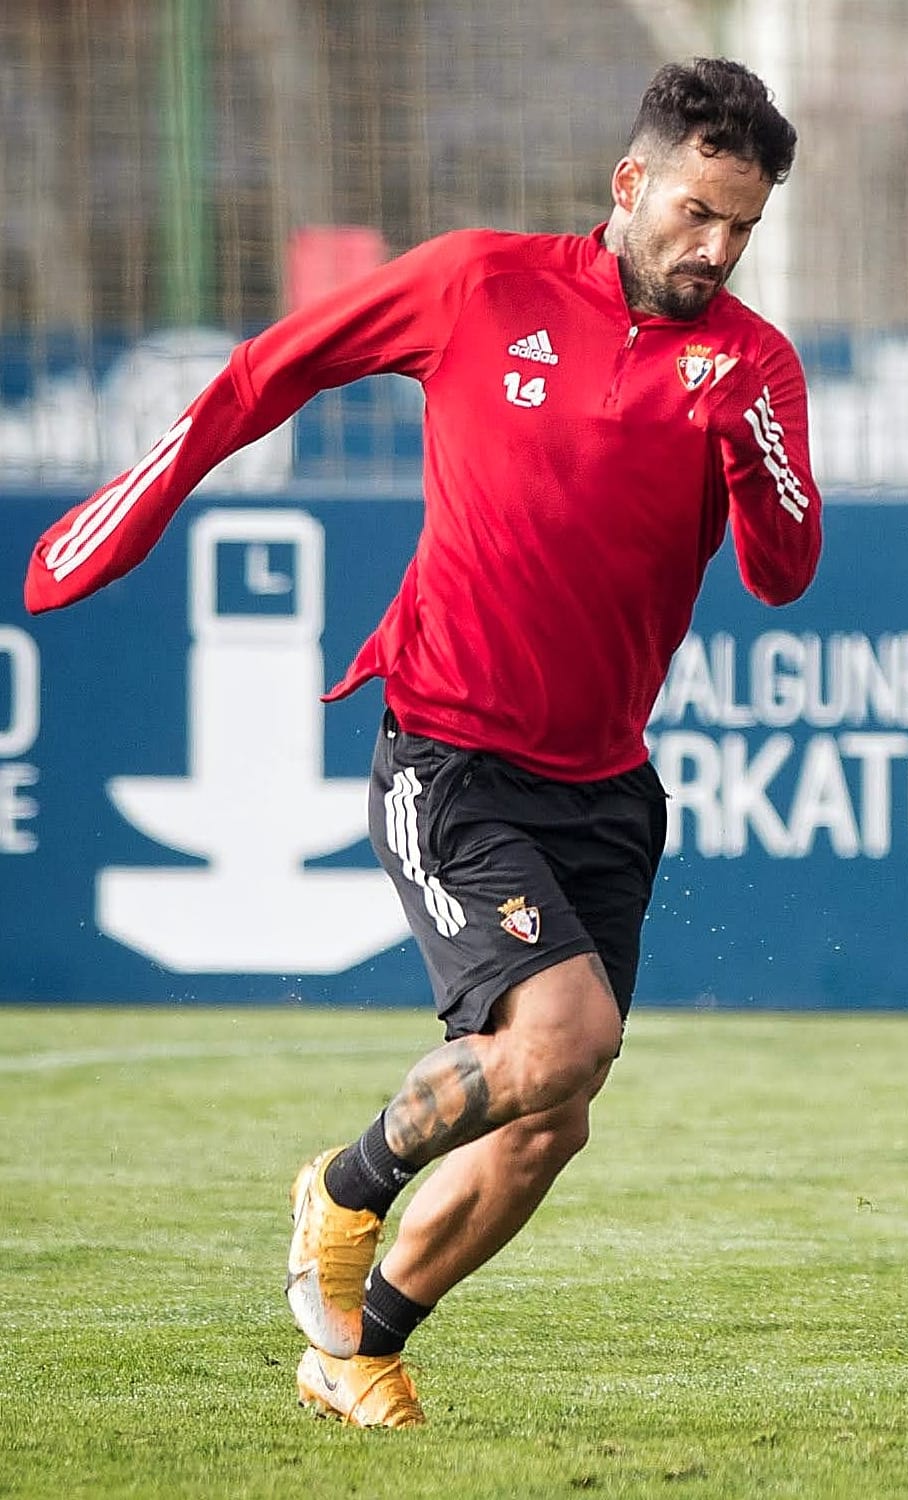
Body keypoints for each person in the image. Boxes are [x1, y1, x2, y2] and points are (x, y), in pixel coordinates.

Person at [25, 58, 820, 1428]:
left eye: (743, 225)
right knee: (561, 1036)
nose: (717, 249)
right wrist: (143, 497)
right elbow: (271, 371)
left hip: (607, 783)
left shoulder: (751, 364)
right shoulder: (480, 284)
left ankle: (358, 1343)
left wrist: (756, 456)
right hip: (450, 747)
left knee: (550, 1119)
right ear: (630, 186)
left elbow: (785, 572)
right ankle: (341, 1186)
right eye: (696, 213)